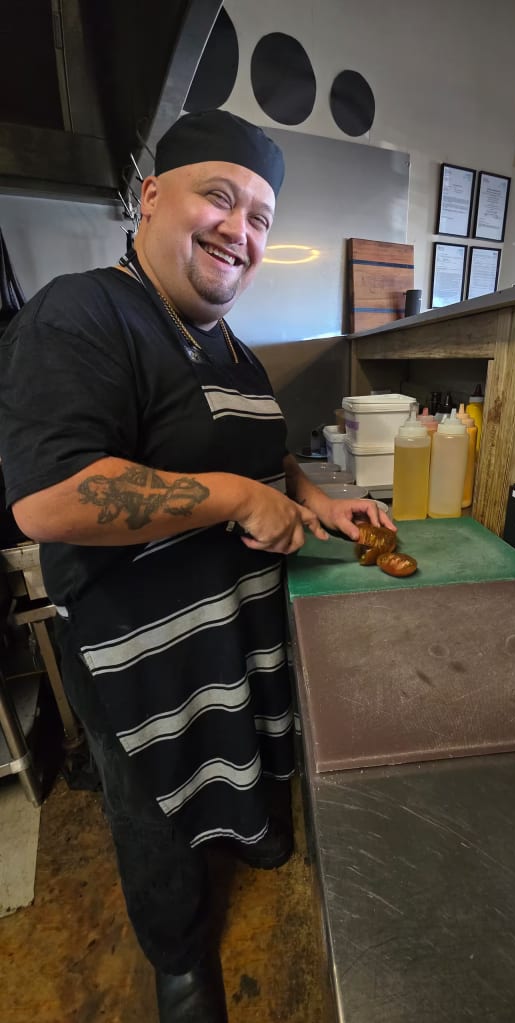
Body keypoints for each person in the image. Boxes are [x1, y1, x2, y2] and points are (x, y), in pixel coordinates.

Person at [0, 110, 394, 1022]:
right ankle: (178, 958)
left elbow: (256, 452)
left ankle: (248, 838)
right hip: (139, 651)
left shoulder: (231, 345)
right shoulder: (83, 312)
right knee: (154, 810)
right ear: (150, 198)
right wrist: (231, 497)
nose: (239, 230)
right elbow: (49, 498)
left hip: (234, 623)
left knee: (238, 745)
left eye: (260, 217)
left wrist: (318, 499)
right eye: (219, 198)